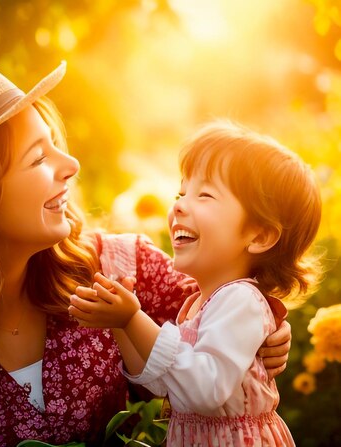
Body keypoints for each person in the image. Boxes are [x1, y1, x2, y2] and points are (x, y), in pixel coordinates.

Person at [0, 63, 292, 446]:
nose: (70, 163)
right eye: (37, 158)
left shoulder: (122, 268)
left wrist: (267, 328)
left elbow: (227, 298)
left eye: (55, 144)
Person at [69, 121, 322, 446]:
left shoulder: (241, 300)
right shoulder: (202, 303)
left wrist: (134, 318)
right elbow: (166, 384)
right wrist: (121, 326)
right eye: (181, 192)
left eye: (204, 194)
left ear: (259, 235)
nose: (178, 205)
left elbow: (205, 390)